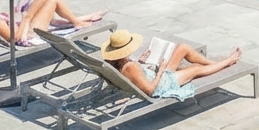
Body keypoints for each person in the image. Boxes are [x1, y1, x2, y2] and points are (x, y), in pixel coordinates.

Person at [102, 29, 241, 101]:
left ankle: (216, 63)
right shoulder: (130, 67)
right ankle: (228, 61)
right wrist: (161, 69)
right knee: (196, 69)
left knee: (182, 48)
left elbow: (136, 77)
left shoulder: (115, 64)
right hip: (163, 83)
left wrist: (142, 63)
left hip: (154, 74)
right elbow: (150, 90)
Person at [0, 0, 105, 46]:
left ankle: (83, 18)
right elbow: (15, 38)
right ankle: (77, 22)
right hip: (28, 35)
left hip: (27, 28)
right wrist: (26, 18)